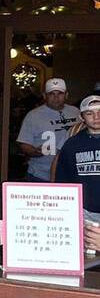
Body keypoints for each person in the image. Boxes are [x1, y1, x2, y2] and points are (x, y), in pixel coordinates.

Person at [53, 94, 100, 255]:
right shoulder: (72, 144)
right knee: (85, 258)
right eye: (90, 113)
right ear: (81, 117)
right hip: (83, 211)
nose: (96, 117)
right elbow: (62, 181)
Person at [16, 77, 80, 182]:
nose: (56, 97)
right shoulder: (33, 115)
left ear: (66, 95)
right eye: (51, 94)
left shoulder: (76, 112)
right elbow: (24, 143)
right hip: (40, 174)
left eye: (60, 93)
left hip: (70, 173)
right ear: (44, 96)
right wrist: (35, 151)